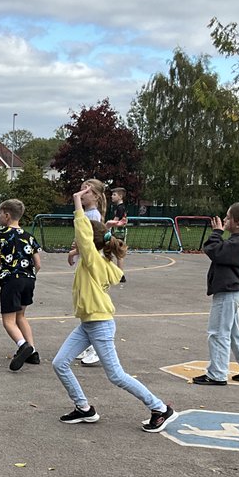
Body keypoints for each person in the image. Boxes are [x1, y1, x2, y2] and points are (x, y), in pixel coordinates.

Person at [52, 185, 177, 432]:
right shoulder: (103, 262)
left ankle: (160, 409)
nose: (77, 240)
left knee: (116, 375)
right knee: (60, 363)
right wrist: (105, 237)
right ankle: (84, 408)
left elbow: (84, 234)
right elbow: (116, 269)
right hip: (88, 323)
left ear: (90, 242)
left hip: (99, 324)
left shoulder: (94, 261)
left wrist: (77, 202)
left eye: (82, 239)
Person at [193, 202, 239, 386]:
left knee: (218, 333)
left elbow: (214, 250)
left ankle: (217, 374)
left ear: (238, 223)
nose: (224, 220)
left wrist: (217, 232)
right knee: (232, 332)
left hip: (228, 293)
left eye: (227, 217)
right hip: (234, 292)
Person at [0, 198, 42, 371]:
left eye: (0, 214)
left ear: (7, 215)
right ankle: (33, 352)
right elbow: (38, 264)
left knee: (8, 321)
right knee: (21, 316)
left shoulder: (0, 235)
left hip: (11, 279)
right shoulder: (29, 236)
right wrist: (29, 275)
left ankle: (23, 345)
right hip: (28, 280)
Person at [66, 178, 108, 366]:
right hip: (86, 263)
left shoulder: (93, 215)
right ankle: (88, 342)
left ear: (96, 196)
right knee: (84, 303)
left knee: (91, 304)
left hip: (92, 265)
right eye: (81, 190)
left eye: (86, 191)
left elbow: (90, 243)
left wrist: (74, 251)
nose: (81, 194)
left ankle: (97, 347)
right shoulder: (89, 213)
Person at [105, 186, 128, 284]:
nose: (112, 196)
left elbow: (115, 221)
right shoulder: (119, 207)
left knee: (118, 253)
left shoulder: (120, 208)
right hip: (117, 232)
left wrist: (107, 225)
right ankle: (115, 273)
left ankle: (120, 275)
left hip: (118, 233)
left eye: (114, 195)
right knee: (112, 252)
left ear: (120, 196)